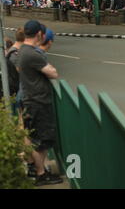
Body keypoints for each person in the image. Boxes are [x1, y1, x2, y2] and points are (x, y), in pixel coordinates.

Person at [18, 20, 62, 186]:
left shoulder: (24, 50)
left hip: (32, 99)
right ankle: (41, 174)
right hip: (37, 101)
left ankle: (38, 170)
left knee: (38, 139)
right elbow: (53, 73)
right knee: (41, 141)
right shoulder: (31, 53)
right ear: (39, 34)